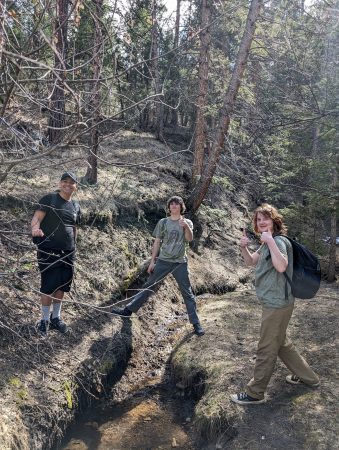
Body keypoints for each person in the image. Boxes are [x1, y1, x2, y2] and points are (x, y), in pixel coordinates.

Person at [231, 204, 319, 405]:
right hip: (275, 302)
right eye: (258, 219)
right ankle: (309, 378)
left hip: (277, 304)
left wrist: (270, 240)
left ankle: (255, 392)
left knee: (266, 347)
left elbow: (281, 266)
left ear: (274, 221)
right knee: (282, 344)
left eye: (265, 219)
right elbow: (251, 261)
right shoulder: (266, 241)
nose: (261, 222)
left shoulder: (277, 241)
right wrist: (244, 247)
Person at [111, 195, 205, 336]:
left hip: (180, 262)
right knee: (149, 286)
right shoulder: (163, 222)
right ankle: (128, 311)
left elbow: (189, 239)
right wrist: (152, 261)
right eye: (171, 204)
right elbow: (157, 242)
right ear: (168, 207)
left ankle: (196, 323)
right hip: (163, 261)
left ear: (181, 207)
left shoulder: (187, 222)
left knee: (187, 292)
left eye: (176, 204)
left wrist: (186, 227)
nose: (174, 206)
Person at [31, 172, 81, 337]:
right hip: (48, 251)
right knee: (48, 286)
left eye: (71, 182)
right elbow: (36, 218)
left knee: (62, 285)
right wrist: (35, 230)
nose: (68, 184)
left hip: (68, 253)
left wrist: (74, 245)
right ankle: (44, 321)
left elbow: (74, 227)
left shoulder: (75, 205)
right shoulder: (49, 199)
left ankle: (56, 318)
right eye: (64, 181)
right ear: (60, 183)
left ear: (76, 186)